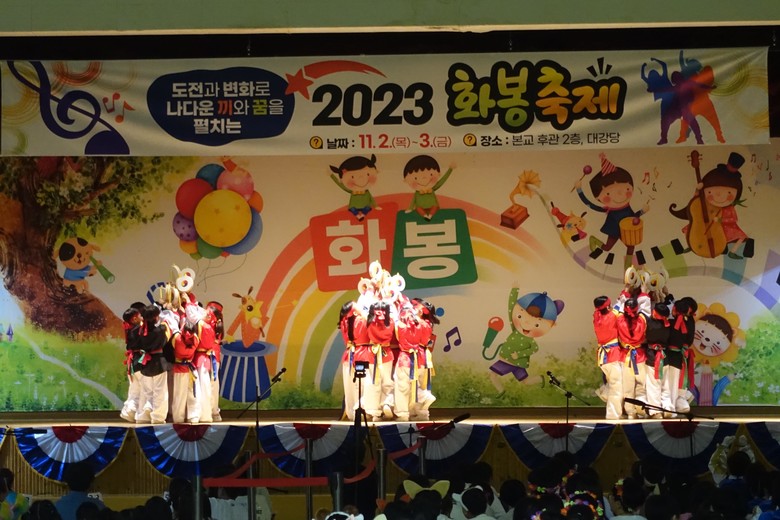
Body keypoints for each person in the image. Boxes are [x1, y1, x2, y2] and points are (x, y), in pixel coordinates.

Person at [136, 305, 171, 424]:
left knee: (147, 391)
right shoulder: (160, 330)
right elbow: (166, 340)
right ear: (155, 317)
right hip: (158, 362)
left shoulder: (140, 331)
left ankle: (146, 412)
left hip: (146, 363)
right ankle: (157, 417)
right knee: (160, 391)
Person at [592, 295, 622, 420]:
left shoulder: (596, 317)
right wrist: (625, 293)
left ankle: (604, 394)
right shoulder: (612, 316)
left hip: (603, 357)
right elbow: (620, 305)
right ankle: (613, 414)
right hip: (612, 354)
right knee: (616, 385)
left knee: (611, 383)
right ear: (608, 306)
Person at [617, 298, 647, 419]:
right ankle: (641, 407)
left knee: (627, 387)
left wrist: (625, 292)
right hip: (640, 356)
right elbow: (646, 308)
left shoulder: (619, 319)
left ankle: (630, 412)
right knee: (642, 385)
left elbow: (618, 308)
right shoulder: (642, 320)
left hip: (625, 357)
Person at [328, 154, 381, 221]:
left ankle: (362, 215)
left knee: (367, 208)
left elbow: (371, 199)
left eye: (368, 174)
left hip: (365, 206)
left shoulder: (366, 191)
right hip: (354, 206)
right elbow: (340, 185)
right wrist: (332, 175)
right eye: (352, 177)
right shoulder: (352, 190)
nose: (361, 179)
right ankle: (358, 215)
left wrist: (375, 206)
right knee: (353, 209)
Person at [403, 155, 455, 220]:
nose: (424, 178)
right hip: (420, 208)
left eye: (431, 174)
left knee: (434, 207)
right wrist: (410, 208)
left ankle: (430, 215)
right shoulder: (417, 193)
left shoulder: (432, 188)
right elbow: (413, 201)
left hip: (433, 207)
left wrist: (450, 169)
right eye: (415, 178)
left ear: (438, 173)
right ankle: (425, 216)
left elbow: (442, 181)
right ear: (406, 180)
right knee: (418, 209)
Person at [643, 303, 671, 418]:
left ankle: (656, 411)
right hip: (665, 356)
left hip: (653, 356)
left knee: (653, 385)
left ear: (655, 312)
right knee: (666, 384)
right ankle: (667, 408)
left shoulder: (649, 323)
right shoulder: (668, 324)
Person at [119, 304, 145, 423]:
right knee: (142, 389)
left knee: (135, 389)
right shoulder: (139, 329)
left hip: (134, 362)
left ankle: (129, 412)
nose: (141, 317)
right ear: (134, 319)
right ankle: (139, 414)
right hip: (138, 361)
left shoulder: (130, 330)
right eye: (140, 315)